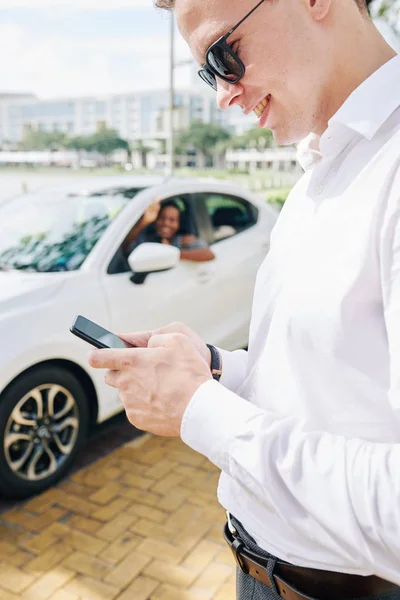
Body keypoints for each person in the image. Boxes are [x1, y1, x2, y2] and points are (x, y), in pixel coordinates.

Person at [88, 0, 400, 597]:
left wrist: (200, 411)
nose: (223, 95)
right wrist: (213, 370)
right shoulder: (321, 169)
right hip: (259, 571)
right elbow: (331, 383)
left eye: (223, 56)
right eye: (208, 73)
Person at [123, 199, 215, 262]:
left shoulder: (183, 240)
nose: (166, 223)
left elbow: (209, 254)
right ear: (155, 220)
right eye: (162, 218)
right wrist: (144, 222)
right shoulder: (147, 238)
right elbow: (126, 248)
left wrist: (171, 254)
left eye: (172, 220)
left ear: (179, 224)